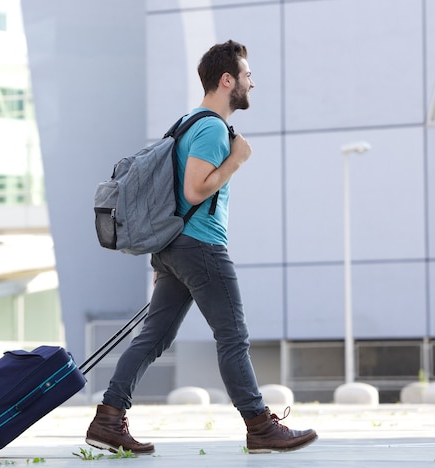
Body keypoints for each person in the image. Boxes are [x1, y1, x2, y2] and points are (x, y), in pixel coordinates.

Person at [85, 39, 317, 455]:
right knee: (233, 337)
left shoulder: (187, 121)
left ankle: (107, 419)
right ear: (227, 80)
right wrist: (237, 159)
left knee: (153, 337)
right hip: (201, 246)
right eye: (247, 76)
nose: (252, 83)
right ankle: (260, 426)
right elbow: (194, 190)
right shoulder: (211, 127)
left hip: (175, 248)